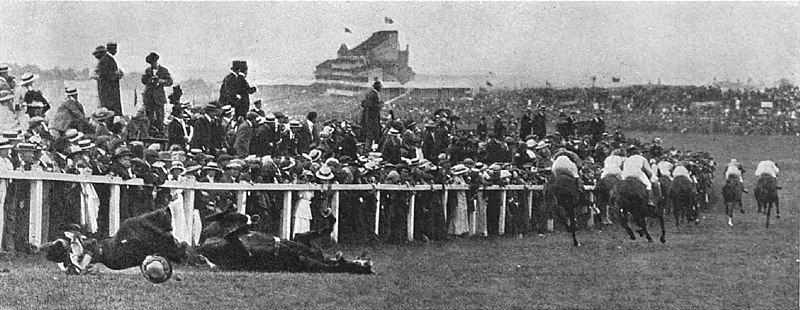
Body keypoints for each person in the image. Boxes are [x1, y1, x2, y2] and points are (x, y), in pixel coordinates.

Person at [141, 52, 173, 134]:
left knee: (160, 117)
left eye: (153, 63)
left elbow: (170, 81)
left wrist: (163, 81)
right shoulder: (147, 70)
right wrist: (149, 80)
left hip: (159, 98)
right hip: (149, 98)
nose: (152, 64)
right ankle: (150, 133)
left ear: (156, 61)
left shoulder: (164, 70)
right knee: (149, 118)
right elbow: (144, 81)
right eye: (151, 63)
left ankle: (161, 133)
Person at [95, 43, 123, 116]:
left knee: (112, 112)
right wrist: (116, 75)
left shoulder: (108, 59)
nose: (116, 51)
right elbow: (104, 75)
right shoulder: (106, 60)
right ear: (111, 49)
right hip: (109, 92)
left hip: (110, 92)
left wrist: (117, 74)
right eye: (115, 49)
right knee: (110, 112)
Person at [360, 81, 383, 147]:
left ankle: (368, 148)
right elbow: (371, 106)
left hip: (369, 118)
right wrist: (379, 105)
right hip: (371, 119)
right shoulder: (373, 95)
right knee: (370, 135)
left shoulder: (370, 94)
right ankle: (367, 148)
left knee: (370, 135)